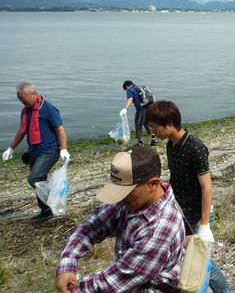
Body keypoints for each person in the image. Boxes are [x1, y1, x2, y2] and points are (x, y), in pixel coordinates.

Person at [55, 146, 185, 292]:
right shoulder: (134, 201)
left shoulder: (160, 231)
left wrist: (73, 288)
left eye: (125, 191)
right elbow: (92, 226)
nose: (120, 197)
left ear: (153, 184)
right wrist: (68, 261)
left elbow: (113, 283)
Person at [145, 100, 233, 293]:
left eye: (154, 127)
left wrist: (204, 225)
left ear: (169, 123)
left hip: (197, 215)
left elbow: (207, 186)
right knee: (195, 262)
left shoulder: (194, 146)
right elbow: (176, 178)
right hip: (180, 213)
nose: (152, 132)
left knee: (202, 264)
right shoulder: (171, 145)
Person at [2, 82, 70, 221]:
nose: (21, 101)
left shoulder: (48, 109)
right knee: (40, 180)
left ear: (33, 94)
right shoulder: (26, 111)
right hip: (34, 151)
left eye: (23, 98)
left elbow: (60, 130)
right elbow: (22, 131)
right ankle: (46, 211)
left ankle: (55, 197)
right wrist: (10, 148)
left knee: (34, 179)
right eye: (19, 99)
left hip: (49, 151)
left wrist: (64, 149)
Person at [121, 80, 158, 146]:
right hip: (150, 107)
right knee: (146, 122)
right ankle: (153, 137)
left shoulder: (130, 90)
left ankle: (140, 143)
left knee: (138, 124)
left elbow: (130, 99)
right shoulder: (140, 87)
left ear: (127, 86)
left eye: (126, 88)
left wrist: (126, 108)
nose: (126, 90)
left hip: (142, 109)